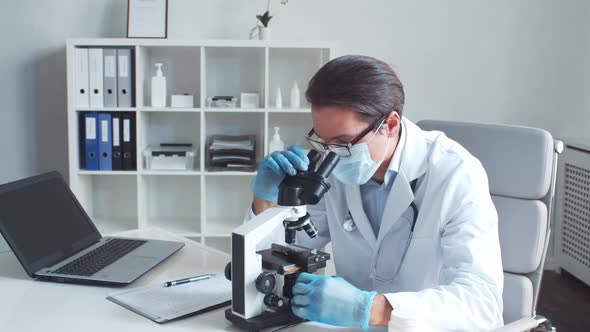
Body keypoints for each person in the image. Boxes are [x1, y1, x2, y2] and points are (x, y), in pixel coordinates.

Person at [248, 55, 503, 331]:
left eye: (344, 142)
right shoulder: (334, 168)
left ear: (390, 125)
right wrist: (266, 200)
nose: (330, 155)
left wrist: (373, 308)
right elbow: (284, 252)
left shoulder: (456, 173)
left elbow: (482, 303)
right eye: (323, 141)